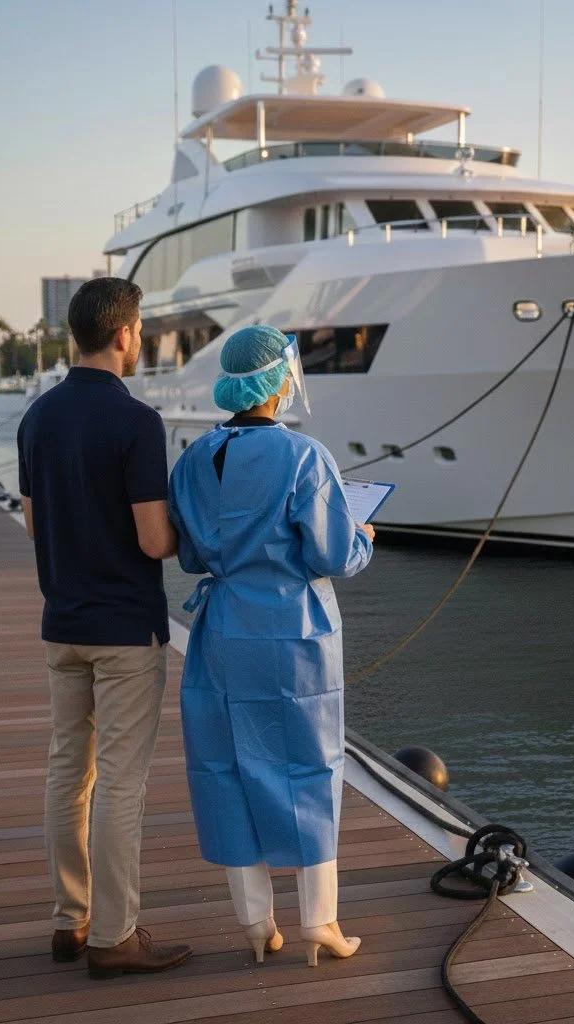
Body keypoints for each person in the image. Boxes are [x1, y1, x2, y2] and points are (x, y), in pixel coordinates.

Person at [168, 324, 374, 967]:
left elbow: (191, 554)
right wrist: (364, 532)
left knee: (226, 768)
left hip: (222, 630)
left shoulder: (194, 457)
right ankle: (321, 922)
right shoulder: (304, 457)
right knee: (310, 768)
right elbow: (333, 553)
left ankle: (257, 925)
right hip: (294, 633)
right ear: (280, 380)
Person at [17, 278, 193, 980]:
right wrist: (193, 533)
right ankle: (115, 938)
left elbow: (34, 524)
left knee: (69, 772)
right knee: (121, 783)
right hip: (125, 629)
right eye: (141, 327)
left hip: (62, 623)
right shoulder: (136, 422)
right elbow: (154, 542)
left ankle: (72, 921)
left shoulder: (37, 417)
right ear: (124, 335)